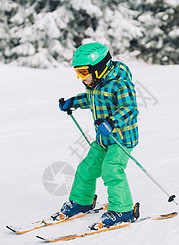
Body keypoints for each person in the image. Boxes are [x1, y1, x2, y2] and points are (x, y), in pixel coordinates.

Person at [58, 42, 139, 229]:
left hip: (122, 139)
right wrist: (73, 102)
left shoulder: (120, 84)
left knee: (112, 169)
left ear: (99, 68)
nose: (80, 78)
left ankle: (123, 209)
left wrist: (112, 122)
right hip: (103, 140)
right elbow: (91, 98)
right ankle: (81, 201)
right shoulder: (96, 84)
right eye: (78, 73)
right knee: (86, 168)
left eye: (83, 72)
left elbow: (130, 109)